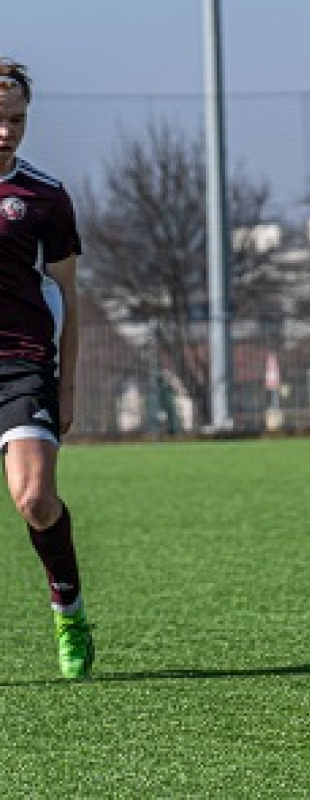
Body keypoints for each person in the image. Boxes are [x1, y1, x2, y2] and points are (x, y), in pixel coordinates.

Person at [0, 59, 93, 679]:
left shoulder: (45, 197)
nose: (7, 130)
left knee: (35, 499)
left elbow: (69, 294)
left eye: (16, 119)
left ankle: (70, 611)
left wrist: (67, 385)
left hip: (22, 361)